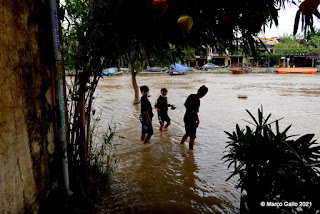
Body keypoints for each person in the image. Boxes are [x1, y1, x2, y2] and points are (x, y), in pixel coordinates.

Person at [180, 85, 208, 150]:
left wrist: (190, 109)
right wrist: (198, 121)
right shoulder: (197, 100)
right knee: (192, 137)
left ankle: (181, 144)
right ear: (203, 94)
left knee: (187, 132)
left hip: (186, 116)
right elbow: (195, 112)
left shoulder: (191, 96)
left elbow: (185, 104)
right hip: (191, 119)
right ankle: (191, 152)